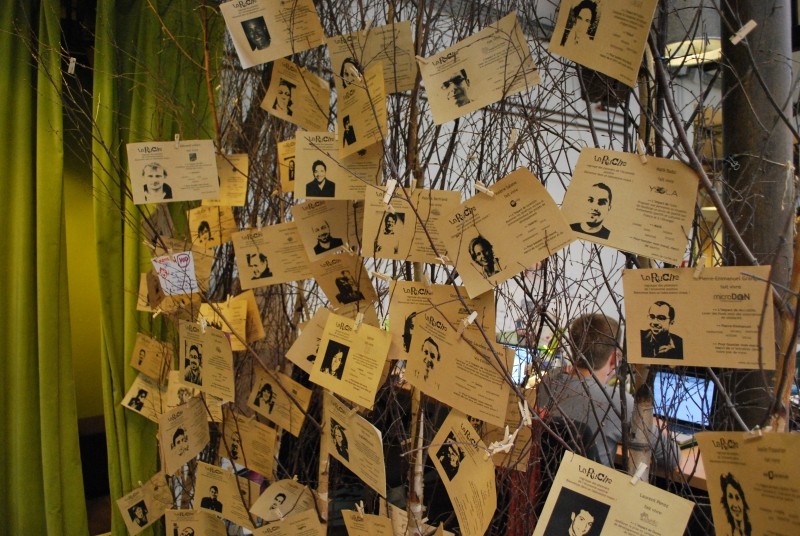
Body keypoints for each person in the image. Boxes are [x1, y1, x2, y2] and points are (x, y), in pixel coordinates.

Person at [537, 313, 679, 468]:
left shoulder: (547, 383)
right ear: (613, 359)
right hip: (593, 489)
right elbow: (671, 457)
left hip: (544, 488)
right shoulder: (618, 402)